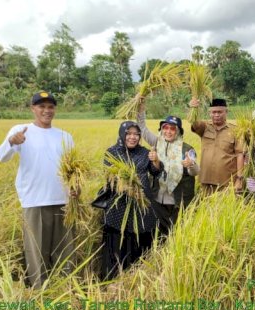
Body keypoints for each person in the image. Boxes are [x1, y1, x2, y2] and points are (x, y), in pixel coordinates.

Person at [0, 91, 75, 289]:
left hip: (63, 202)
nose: (46, 111)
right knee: (36, 251)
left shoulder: (65, 136)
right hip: (34, 201)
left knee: (65, 250)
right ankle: (39, 293)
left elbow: (73, 170)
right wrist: (11, 142)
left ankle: (65, 290)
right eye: (41, 106)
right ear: (33, 109)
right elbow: (1, 157)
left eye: (50, 107)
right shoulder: (21, 131)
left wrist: (75, 189)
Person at [100, 121, 162, 281]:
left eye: (136, 134)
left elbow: (156, 172)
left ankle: (137, 279)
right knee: (117, 243)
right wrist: (130, 190)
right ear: (122, 134)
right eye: (129, 134)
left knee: (139, 239)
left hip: (141, 206)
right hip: (118, 208)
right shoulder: (112, 152)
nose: (133, 137)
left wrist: (155, 160)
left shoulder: (144, 152)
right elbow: (109, 178)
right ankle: (112, 280)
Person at [136, 100, 198, 235]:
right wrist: (140, 108)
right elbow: (142, 128)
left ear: (179, 132)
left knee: (179, 232)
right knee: (160, 232)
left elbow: (195, 172)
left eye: (172, 128)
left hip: (179, 200)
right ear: (162, 129)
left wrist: (191, 164)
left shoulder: (187, 149)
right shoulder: (157, 142)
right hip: (158, 198)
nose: (168, 131)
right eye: (166, 127)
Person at [189, 98, 244, 196]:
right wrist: (194, 109)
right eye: (213, 112)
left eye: (220, 112)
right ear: (210, 113)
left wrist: (239, 179)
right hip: (206, 180)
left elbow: (240, 155)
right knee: (204, 208)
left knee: (226, 209)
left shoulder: (235, 131)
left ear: (226, 112)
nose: (216, 115)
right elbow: (194, 123)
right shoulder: (204, 127)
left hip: (227, 182)